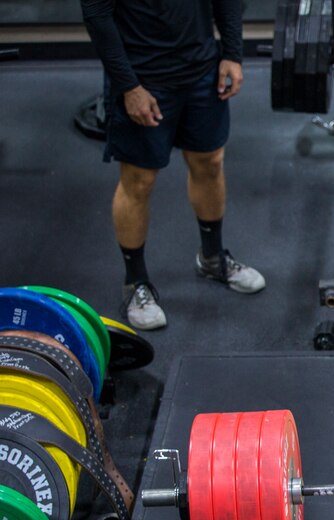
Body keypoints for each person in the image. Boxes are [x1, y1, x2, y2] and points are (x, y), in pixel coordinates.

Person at [81, 0, 265, 331]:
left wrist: (232, 53)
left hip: (201, 69)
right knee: (138, 180)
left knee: (209, 162)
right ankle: (135, 282)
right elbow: (97, 15)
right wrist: (129, 87)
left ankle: (212, 258)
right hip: (143, 78)